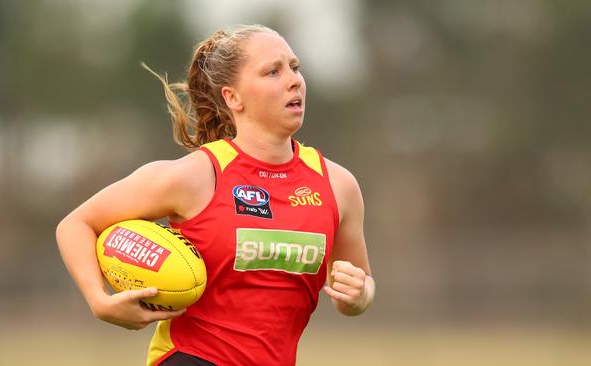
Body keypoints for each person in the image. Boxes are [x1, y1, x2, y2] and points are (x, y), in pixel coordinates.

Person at [56, 24, 374, 366]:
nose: (294, 80)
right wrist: (100, 301)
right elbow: (76, 225)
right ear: (232, 97)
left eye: (295, 67)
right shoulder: (195, 176)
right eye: (272, 71)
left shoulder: (337, 186)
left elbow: (358, 286)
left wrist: (359, 296)